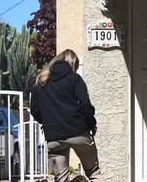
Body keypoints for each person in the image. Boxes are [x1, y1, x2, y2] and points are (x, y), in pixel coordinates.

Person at [30, 49, 106, 182]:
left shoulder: (41, 82)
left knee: (61, 178)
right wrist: (91, 125)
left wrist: (48, 122)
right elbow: (86, 106)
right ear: (72, 64)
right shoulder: (74, 79)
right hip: (79, 133)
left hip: (54, 137)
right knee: (94, 173)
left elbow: (35, 111)